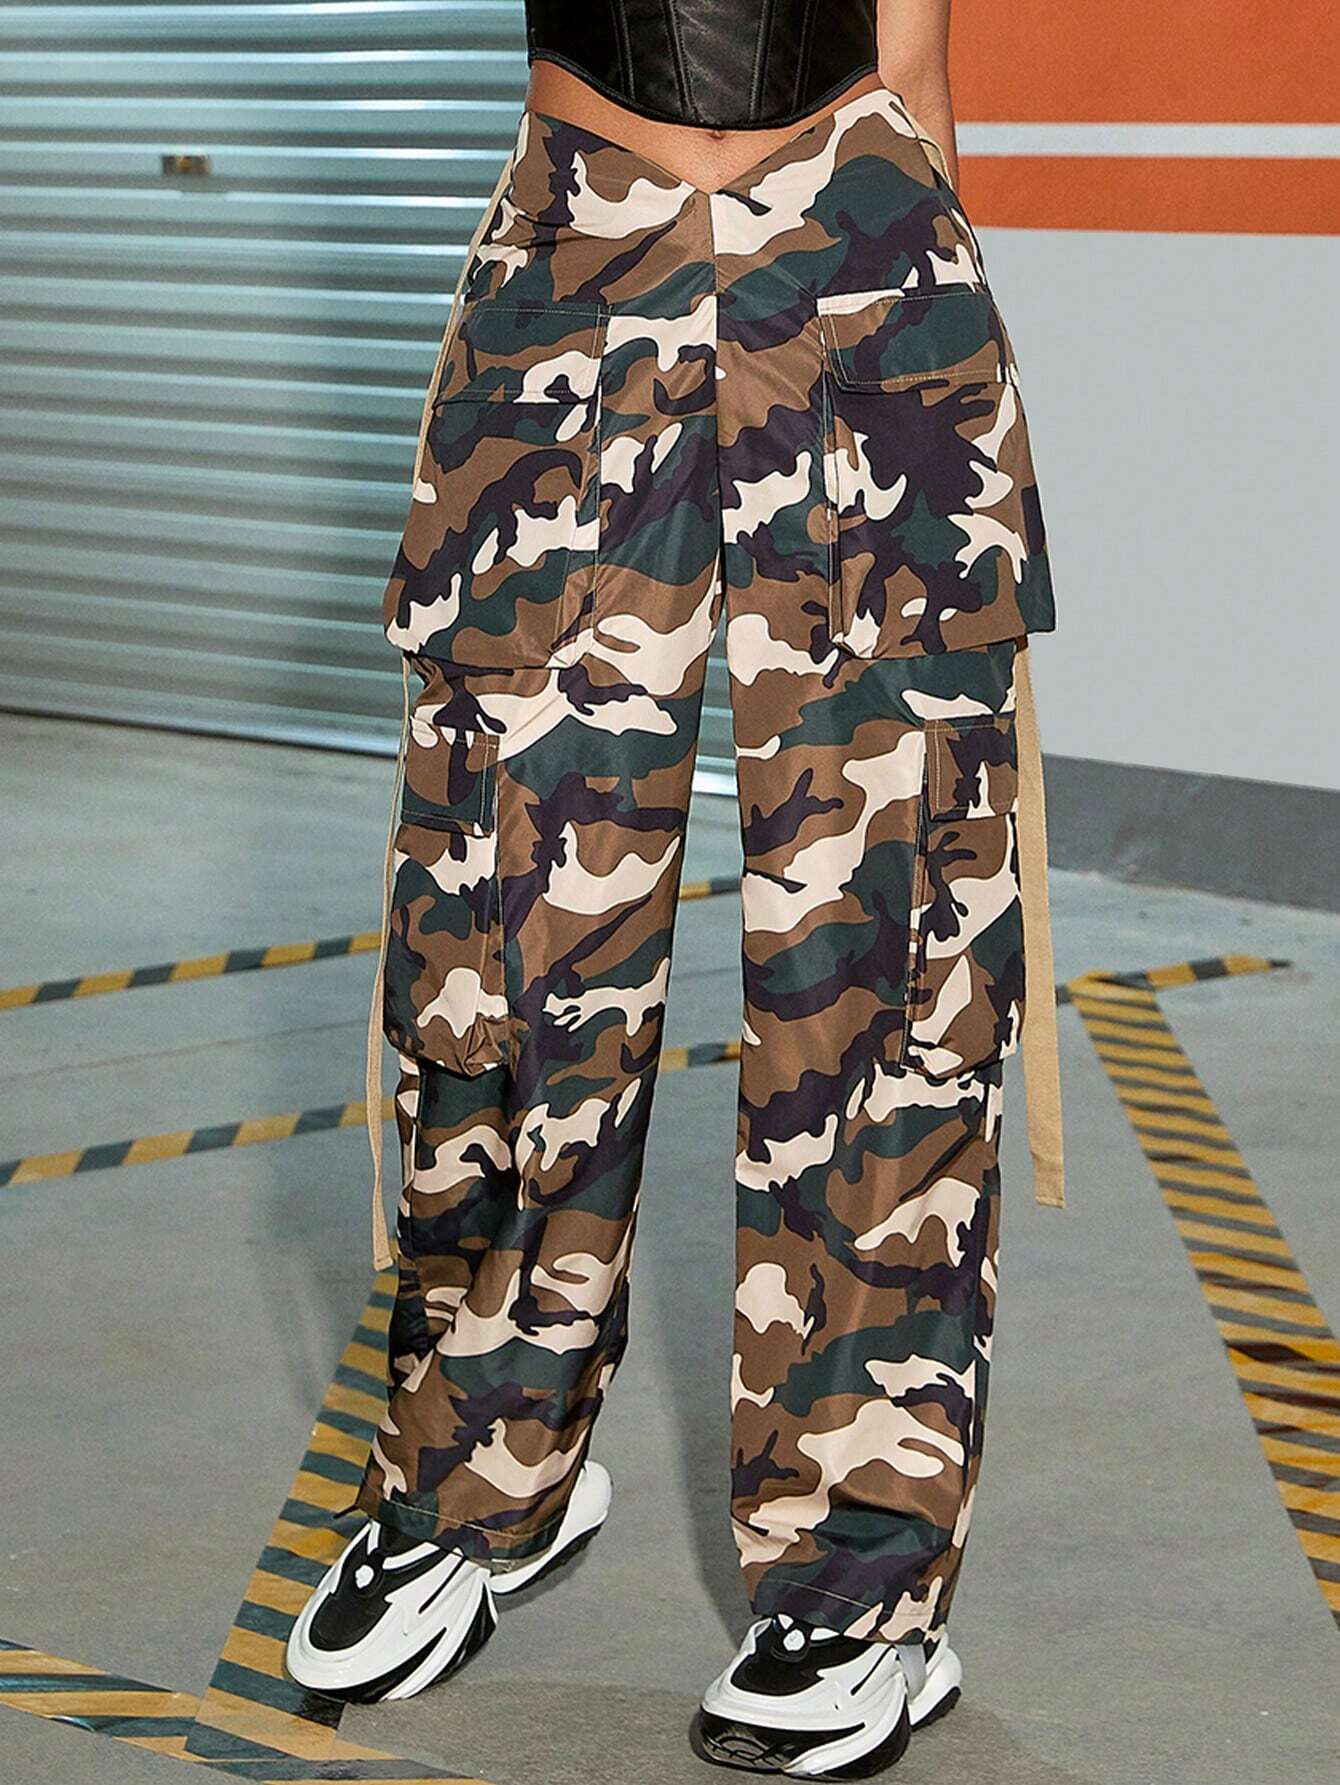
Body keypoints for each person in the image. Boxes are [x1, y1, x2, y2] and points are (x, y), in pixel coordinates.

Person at [286, 1, 1067, 1775]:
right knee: (501, 934)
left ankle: (863, 1573)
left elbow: (914, 50)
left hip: (856, 249)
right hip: (578, 256)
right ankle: (478, 1474)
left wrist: (930, 315)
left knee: (890, 951)